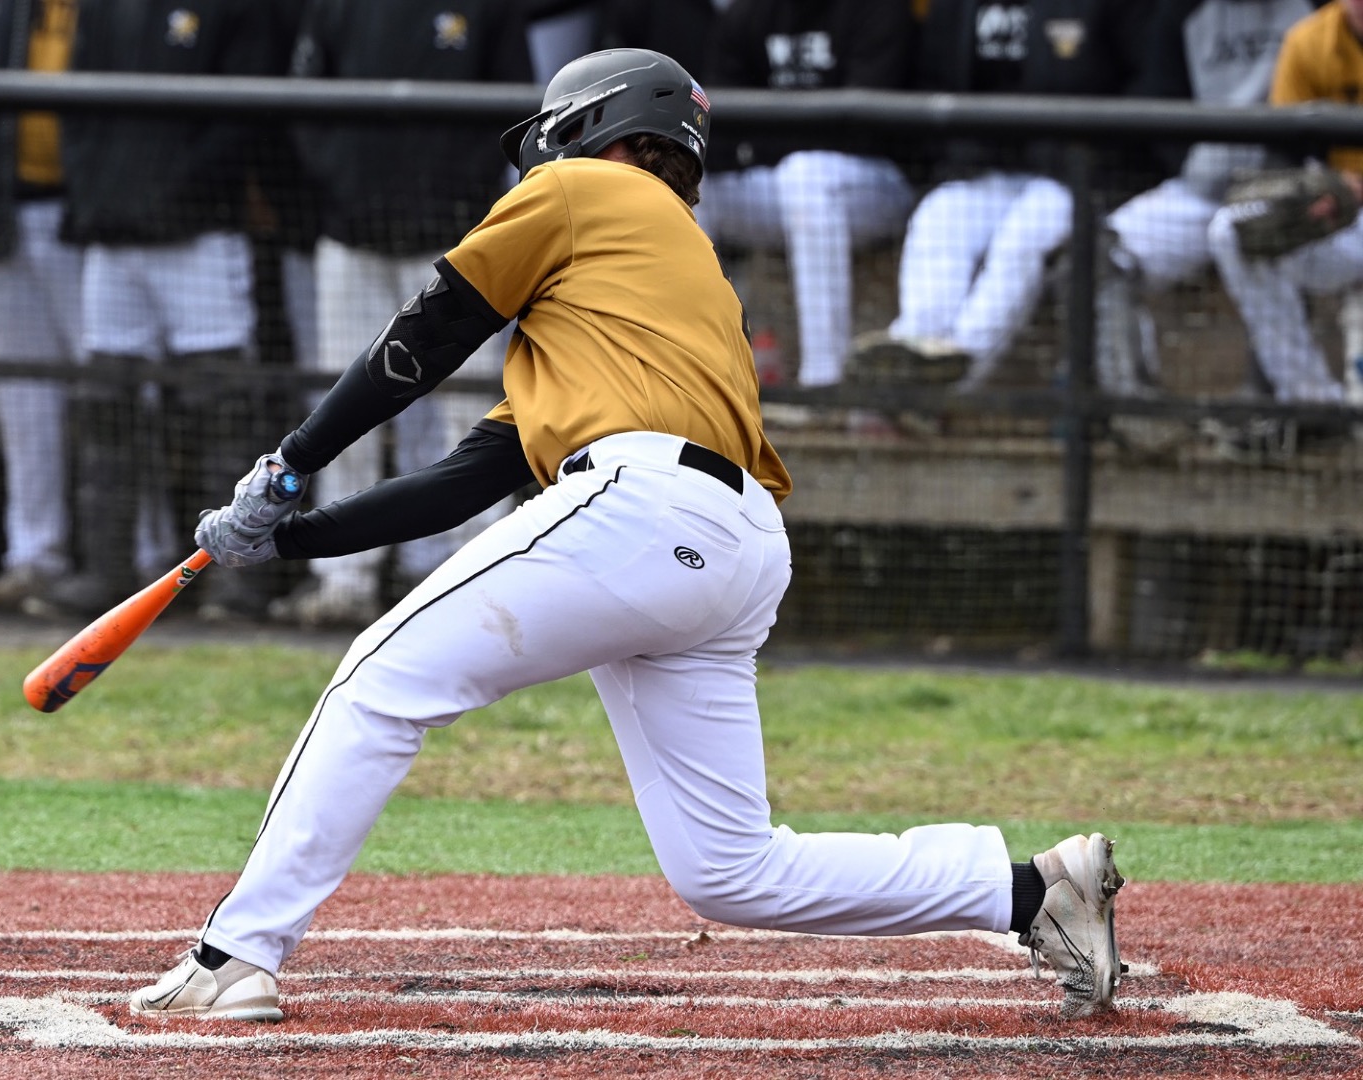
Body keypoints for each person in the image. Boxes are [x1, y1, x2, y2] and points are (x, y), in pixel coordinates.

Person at [128, 48, 1125, 1024]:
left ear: (590, 126)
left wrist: (289, 464)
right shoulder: (645, 282)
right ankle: (1032, 892)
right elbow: (463, 480)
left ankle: (234, 955)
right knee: (733, 872)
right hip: (729, 543)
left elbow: (425, 334)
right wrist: (289, 540)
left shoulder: (583, 193)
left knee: (377, 679)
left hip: (642, 508)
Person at [273, 0, 532, 629]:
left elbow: (518, 115)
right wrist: (345, 185)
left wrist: (462, 194)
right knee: (340, 404)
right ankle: (344, 581)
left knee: (465, 413)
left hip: (456, 240)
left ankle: (476, 576)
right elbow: (305, 107)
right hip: (350, 233)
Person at [51, 0, 284, 622]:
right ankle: (105, 568)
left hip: (200, 230)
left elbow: (245, 114)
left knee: (223, 404)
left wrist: (167, 193)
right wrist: (103, 194)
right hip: (112, 233)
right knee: (107, 400)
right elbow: (78, 111)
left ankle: (236, 577)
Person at [852, 0, 1160, 392]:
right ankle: (913, 344)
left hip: (1073, 174)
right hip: (981, 168)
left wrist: (1105, 162)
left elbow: (1145, 83)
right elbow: (932, 80)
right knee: (936, 219)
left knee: (1020, 244)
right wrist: (955, 155)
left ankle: (949, 383)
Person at [0, 0, 92, 615]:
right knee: (23, 397)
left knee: (113, 393)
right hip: (2, 216)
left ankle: (139, 555)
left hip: (87, 221)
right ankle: (33, 556)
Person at [697, 0, 917, 393]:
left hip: (875, 184)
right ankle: (699, 372)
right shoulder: (747, 16)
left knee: (806, 174)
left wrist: (763, 144)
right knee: (691, 185)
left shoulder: (878, 10)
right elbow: (719, 124)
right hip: (783, 185)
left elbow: (861, 128)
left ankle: (824, 382)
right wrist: (767, 147)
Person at [1098, 0, 1312, 400]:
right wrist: (1195, 164)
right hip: (1202, 189)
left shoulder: (1316, 8)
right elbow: (1158, 101)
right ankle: (1133, 405)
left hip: (1287, 188)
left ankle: (1273, 402)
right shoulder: (1181, 11)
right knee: (1098, 255)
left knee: (1258, 238)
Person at [1205, 0, 1363, 409]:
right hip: (1342, 218)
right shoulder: (1310, 40)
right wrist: (1317, 192)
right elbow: (1284, 153)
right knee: (1232, 231)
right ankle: (1311, 402)